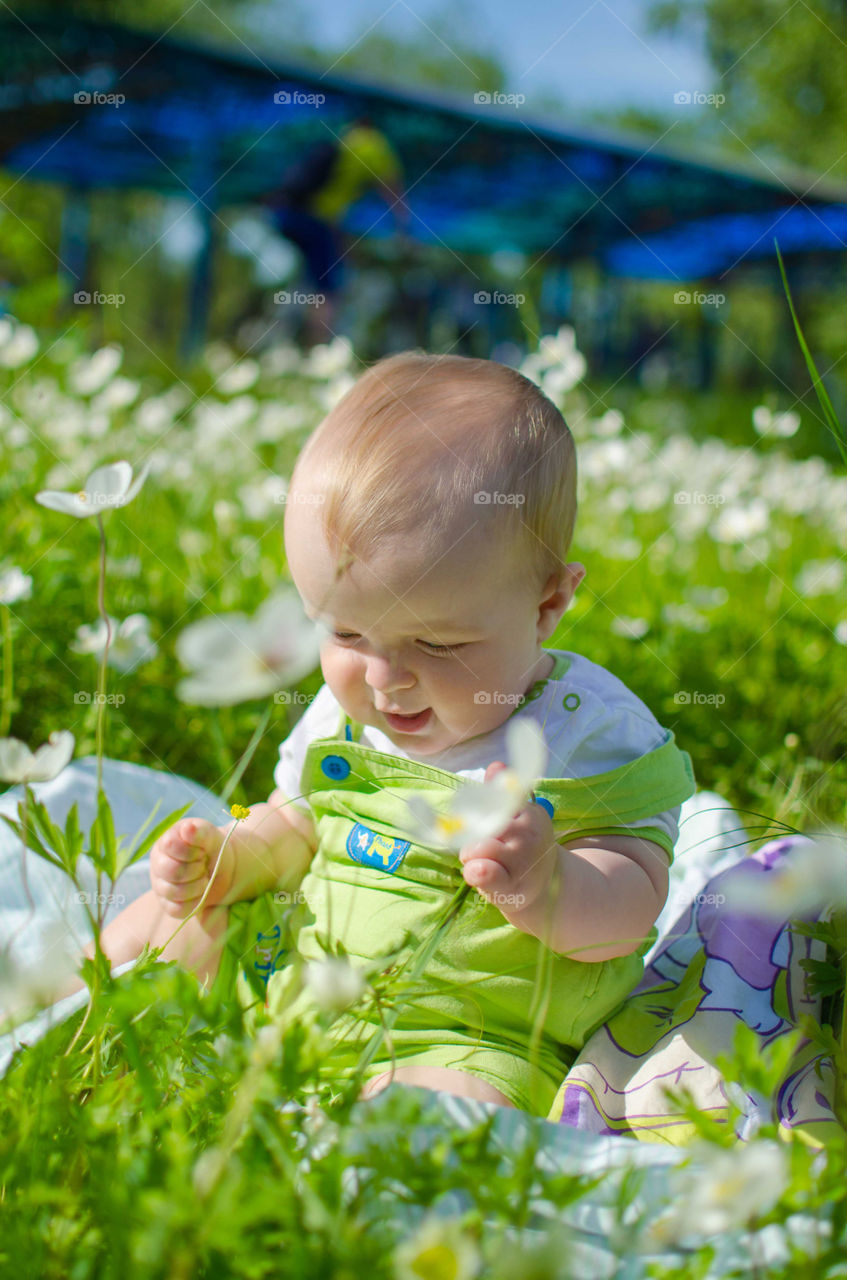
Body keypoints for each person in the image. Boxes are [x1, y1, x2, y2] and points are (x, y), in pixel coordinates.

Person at [71, 351, 696, 1116]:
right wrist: (234, 861)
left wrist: (547, 882)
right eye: (346, 632)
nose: (385, 678)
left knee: (439, 1114)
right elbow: (303, 823)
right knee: (172, 921)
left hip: (462, 1031)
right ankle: (64, 1020)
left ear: (545, 604)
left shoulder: (589, 737)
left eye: (436, 645)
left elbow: (632, 908)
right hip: (295, 985)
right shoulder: (345, 715)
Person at [262, 115, 410, 345]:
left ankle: (282, 337)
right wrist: (403, 228)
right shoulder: (375, 145)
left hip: (286, 215)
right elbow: (392, 188)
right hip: (314, 219)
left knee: (308, 278)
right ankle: (319, 349)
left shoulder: (343, 139)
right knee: (328, 287)